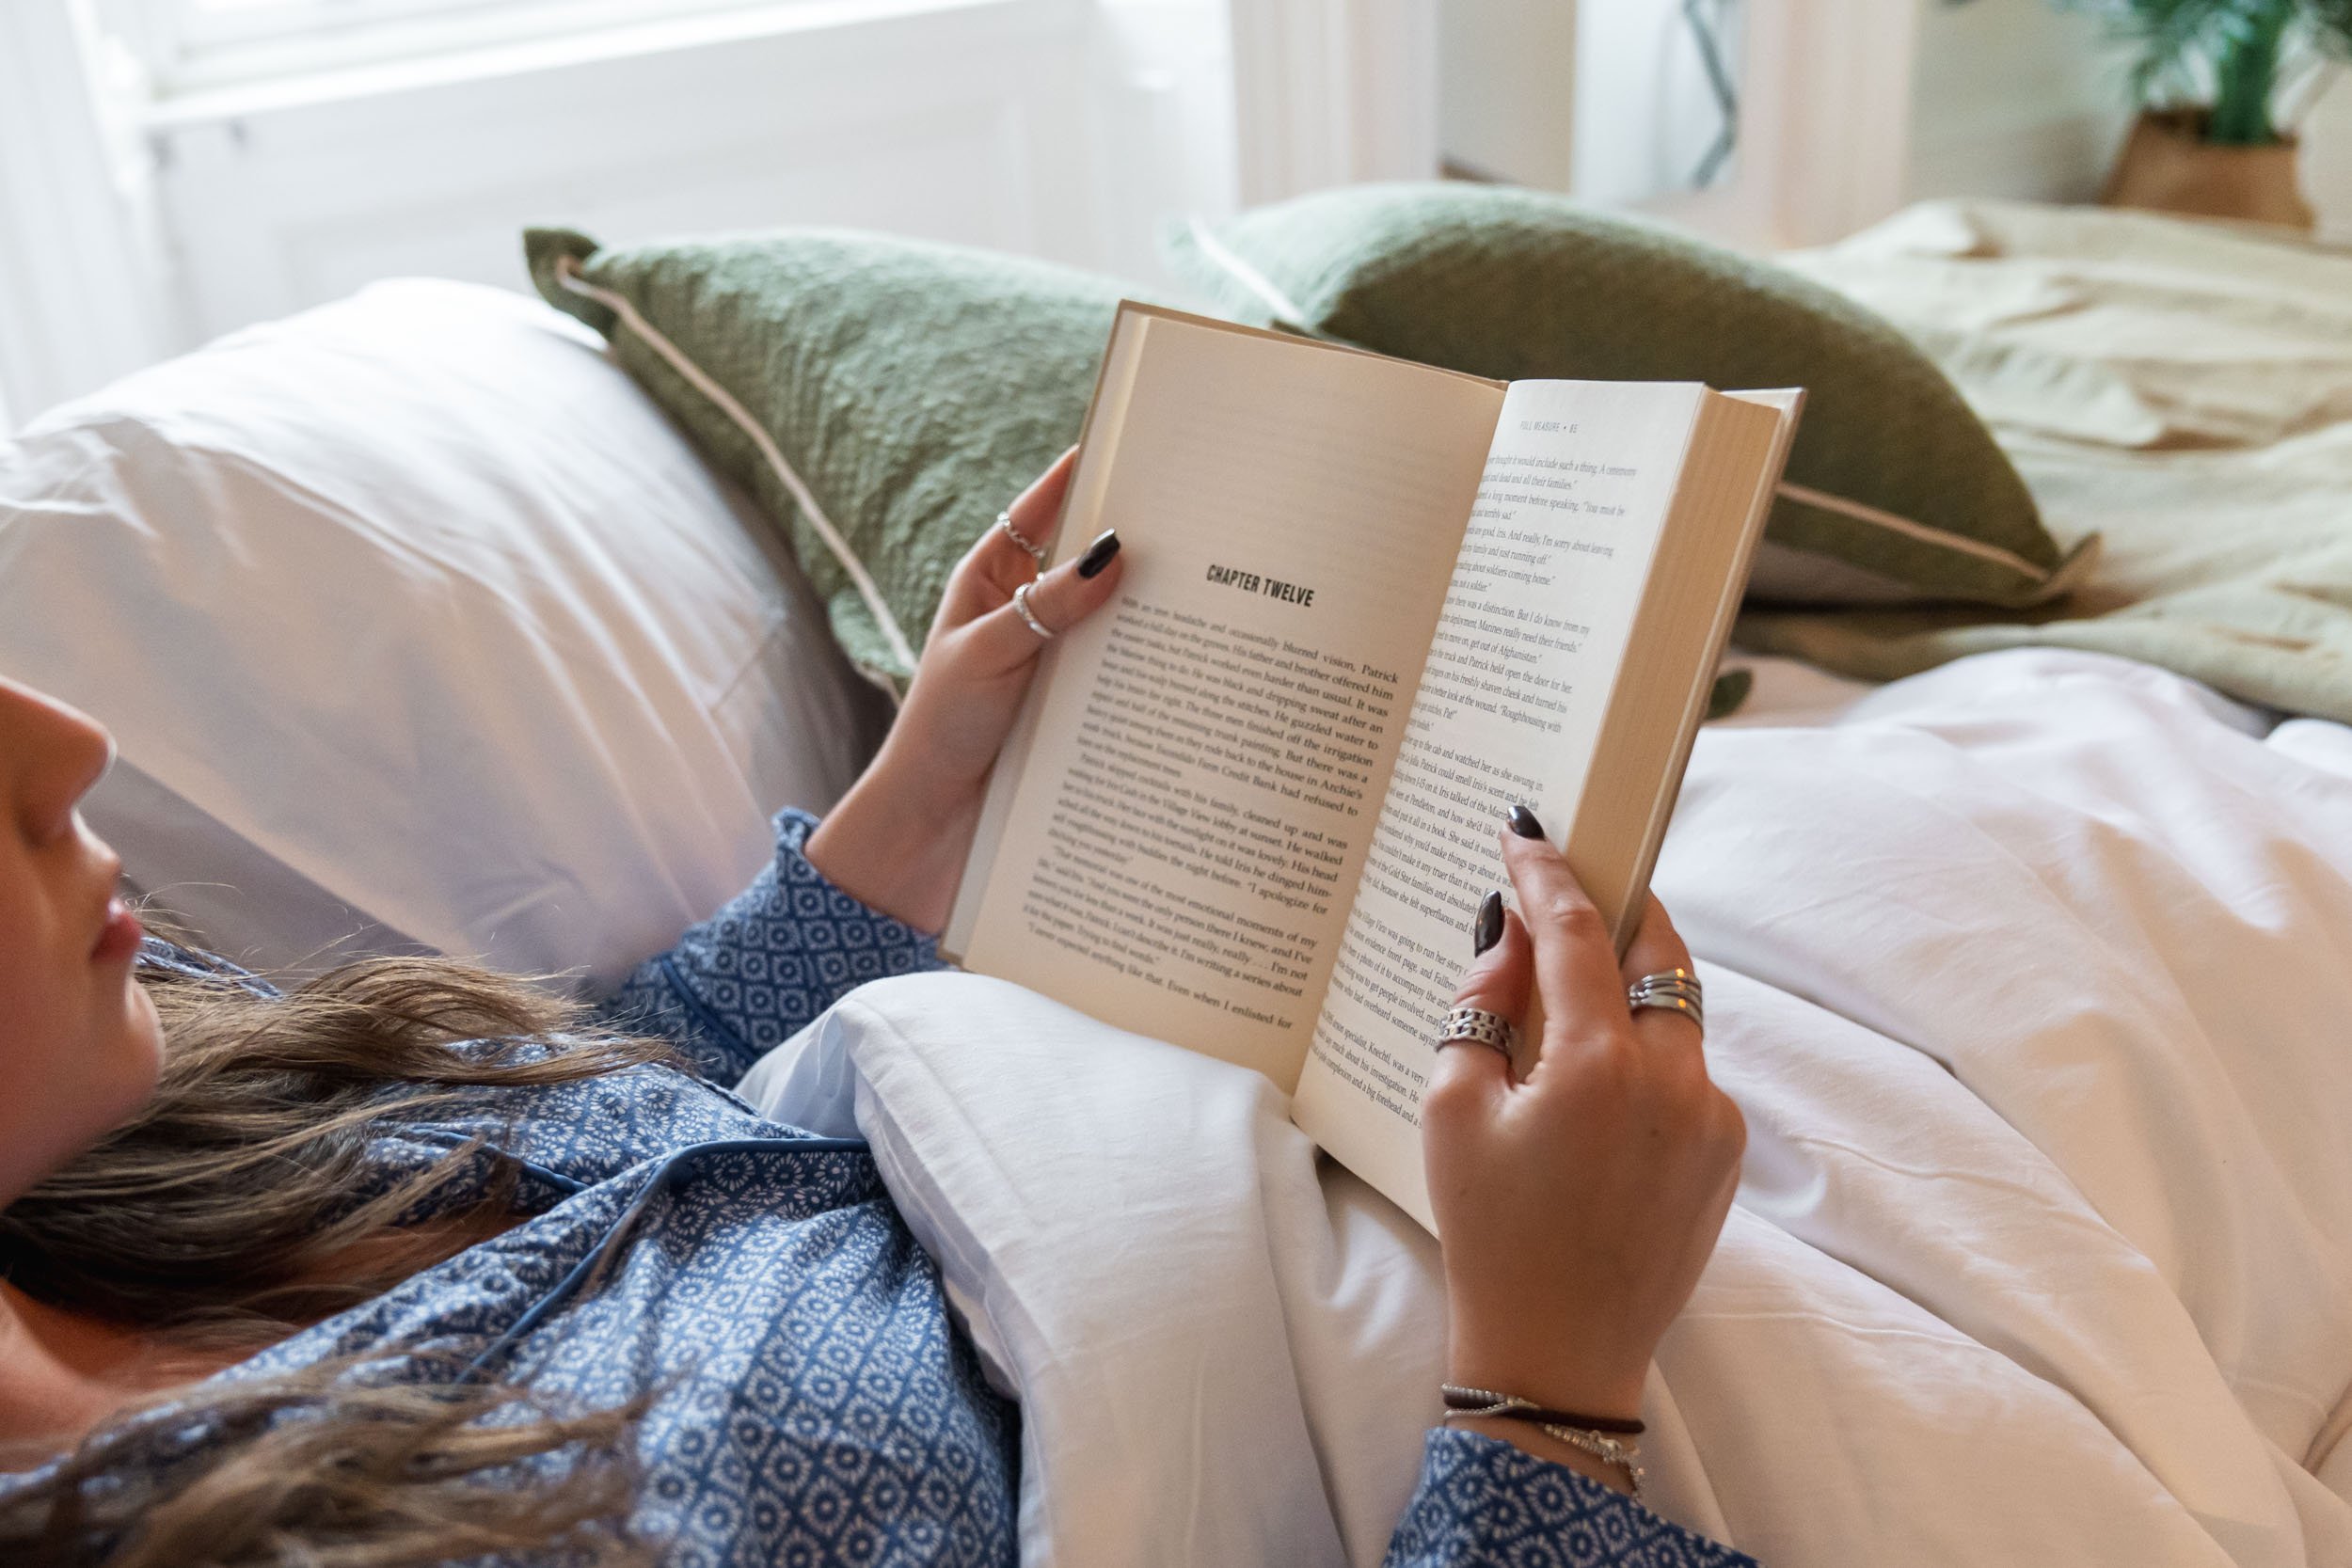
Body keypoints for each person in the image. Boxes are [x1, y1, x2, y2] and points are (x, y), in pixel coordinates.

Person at [0, 450, 1751, 1567]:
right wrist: (1549, 1393)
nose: (67, 744)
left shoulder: (114, 1109)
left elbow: (642, 1141)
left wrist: (916, 809)